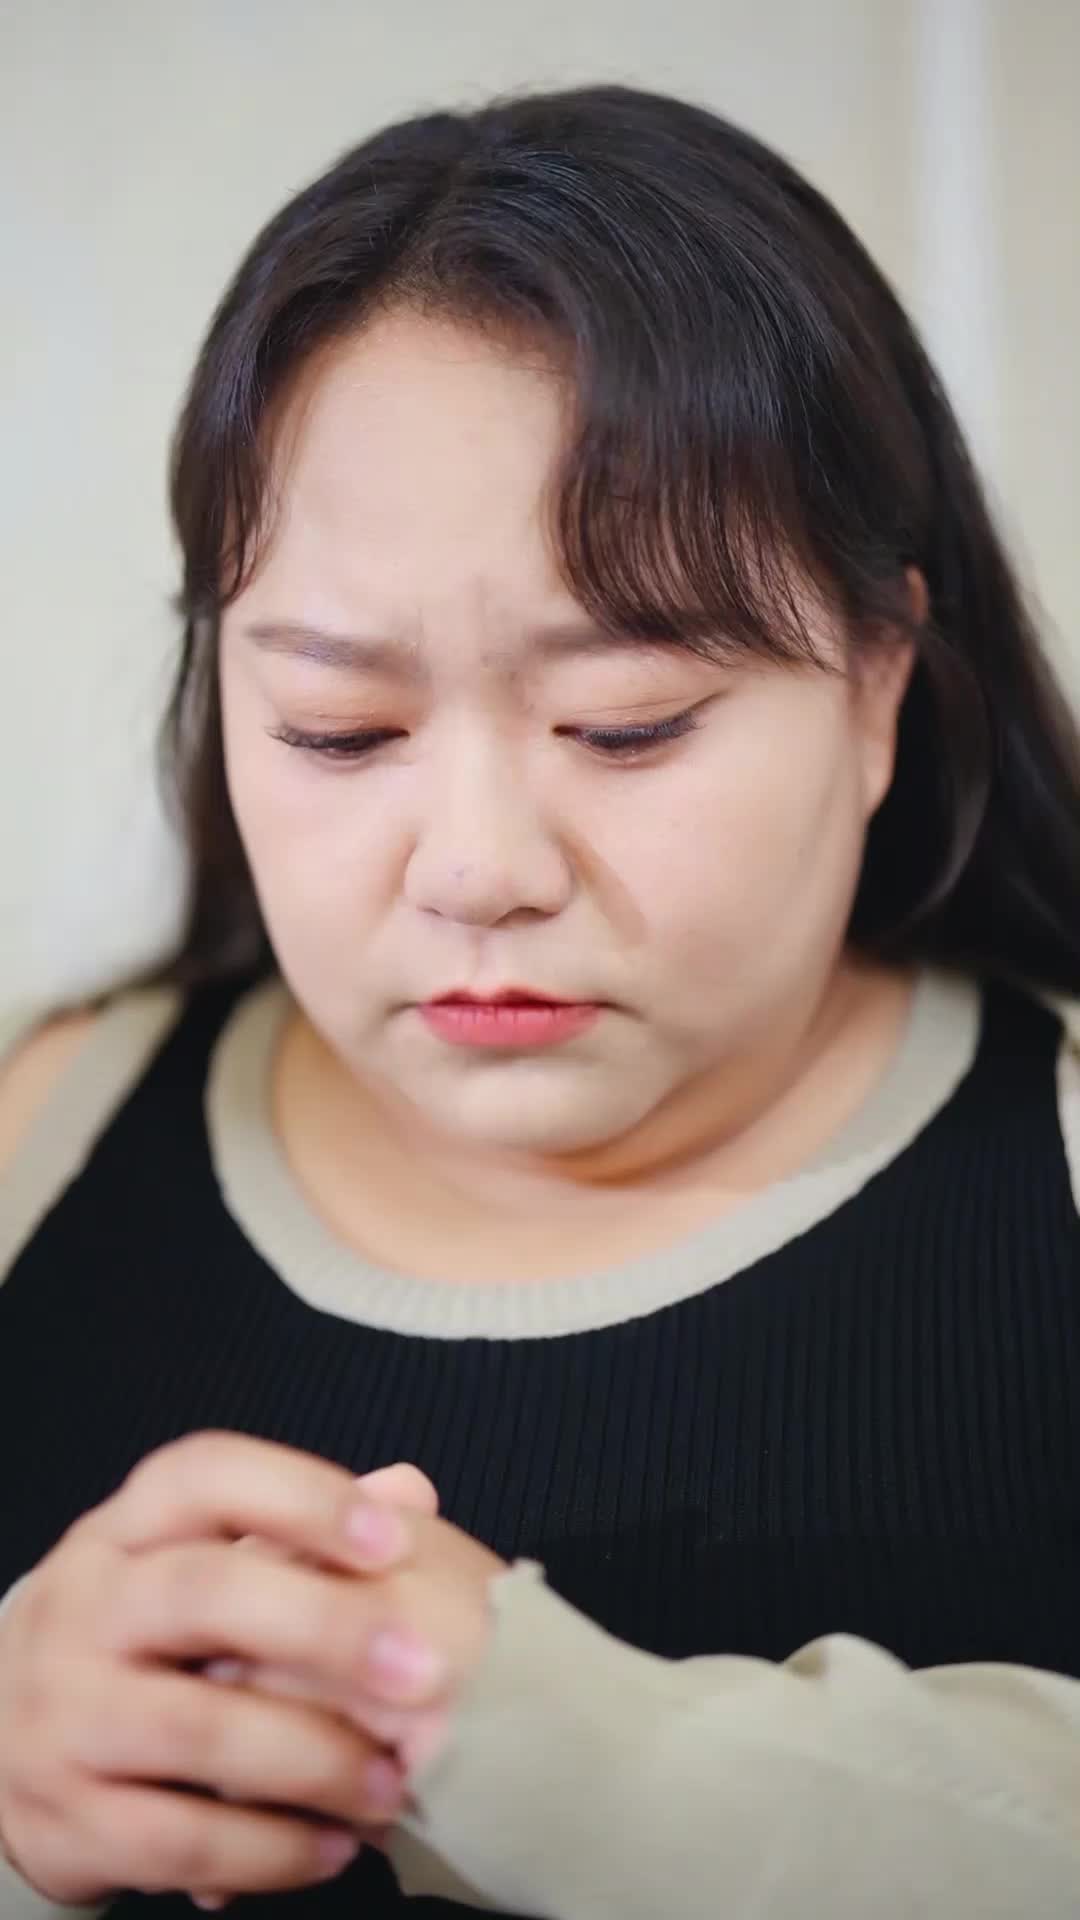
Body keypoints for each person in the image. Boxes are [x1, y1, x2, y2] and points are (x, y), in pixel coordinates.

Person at [1, 80, 1080, 1920]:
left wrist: (568, 1744)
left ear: (882, 679)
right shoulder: (51, 1128)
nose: (481, 866)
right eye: (340, 729)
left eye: (626, 725)